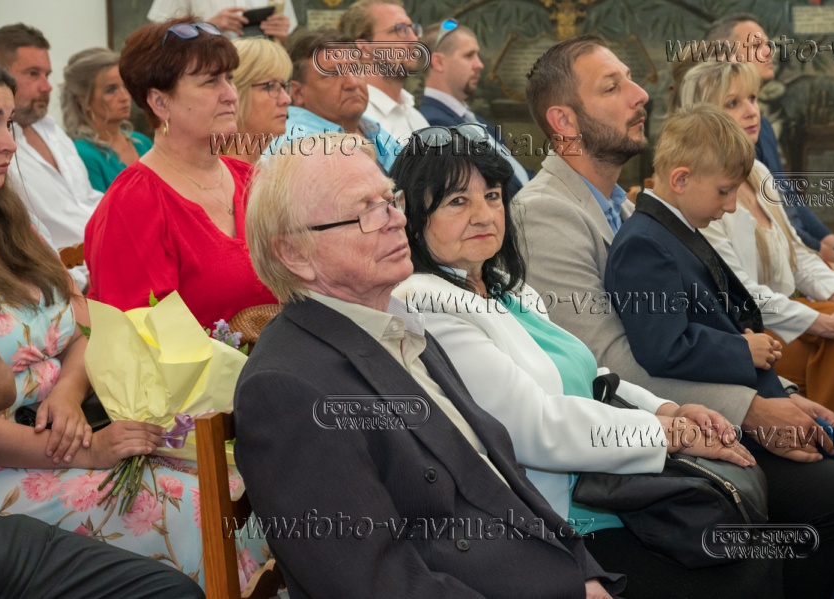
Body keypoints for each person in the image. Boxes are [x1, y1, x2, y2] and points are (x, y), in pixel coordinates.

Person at [515, 34, 834, 598]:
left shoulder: (628, 205)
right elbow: (603, 363)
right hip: (636, 442)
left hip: (698, 405)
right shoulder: (546, 213)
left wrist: (781, 393)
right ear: (563, 121)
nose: (640, 94)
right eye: (612, 86)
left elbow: (710, 322)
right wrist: (752, 411)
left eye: (632, 79)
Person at [388, 125, 780, 598]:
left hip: (609, 486)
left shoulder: (506, 287)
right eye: (457, 201)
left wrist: (668, 410)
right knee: (743, 573)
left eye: (492, 196)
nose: (484, 215)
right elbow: (533, 428)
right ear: (412, 214)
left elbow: (591, 374)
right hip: (553, 521)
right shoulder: (424, 302)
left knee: (755, 546)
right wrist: (668, 435)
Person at [237, 131, 625, 599]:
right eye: (366, 211)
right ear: (294, 254)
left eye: (390, 200)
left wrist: (584, 574)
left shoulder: (396, 324)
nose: (398, 220)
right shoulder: (287, 387)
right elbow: (373, 584)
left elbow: (502, 476)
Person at [0, 58, 259, 593]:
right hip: (10, 468)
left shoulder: (15, 220)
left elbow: (85, 320)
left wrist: (67, 393)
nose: (9, 144)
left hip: (70, 427)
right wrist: (88, 450)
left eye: (9, 123)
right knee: (201, 511)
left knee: (246, 485)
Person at [606, 101, 834, 599]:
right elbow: (661, 347)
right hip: (724, 421)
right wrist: (741, 348)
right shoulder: (645, 244)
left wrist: (786, 393)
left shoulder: (677, 230)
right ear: (681, 179)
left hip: (755, 395)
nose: (732, 205)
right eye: (725, 191)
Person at [673, 61, 834, 446]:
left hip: (789, 313)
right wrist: (828, 323)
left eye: (753, 99)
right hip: (748, 333)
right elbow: (741, 293)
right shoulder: (700, 191)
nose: (751, 111)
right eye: (733, 103)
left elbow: (798, 255)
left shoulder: (757, 171)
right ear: (702, 118)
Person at [84, 18, 276, 329]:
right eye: (210, 82)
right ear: (160, 102)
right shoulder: (134, 204)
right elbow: (142, 340)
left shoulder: (252, 180)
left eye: (229, 78)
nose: (230, 94)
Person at [704, 14, 834, 299]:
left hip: (807, 257)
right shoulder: (719, 158)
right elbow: (782, 242)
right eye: (756, 45)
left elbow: (790, 203)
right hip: (792, 266)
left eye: (752, 100)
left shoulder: (762, 127)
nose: (769, 51)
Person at [0, 23, 100, 291]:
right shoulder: (0, 157)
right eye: (33, 73)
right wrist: (80, 284)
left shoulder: (51, 130)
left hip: (98, 266)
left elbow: (86, 200)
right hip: (66, 282)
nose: (47, 86)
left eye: (47, 74)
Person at [419, 19, 530, 195]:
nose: (479, 64)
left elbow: (518, 176)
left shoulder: (476, 120)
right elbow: (487, 191)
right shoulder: (435, 124)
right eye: (469, 55)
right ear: (438, 62)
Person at [271, 28, 400, 174]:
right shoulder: (297, 145)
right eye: (333, 74)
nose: (352, 83)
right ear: (298, 93)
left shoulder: (370, 128)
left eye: (355, 69)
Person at [61, 47, 152, 192]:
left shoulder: (142, 142)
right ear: (84, 101)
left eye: (125, 87)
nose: (125, 97)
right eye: (111, 90)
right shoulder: (83, 154)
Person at [338, 0, 430, 138]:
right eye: (399, 30)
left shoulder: (417, 118)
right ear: (364, 48)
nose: (414, 39)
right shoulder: (356, 122)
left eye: (412, 29)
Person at [220, 36, 291, 164]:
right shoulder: (218, 173)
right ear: (236, 92)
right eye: (270, 86)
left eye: (284, 86)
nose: (286, 99)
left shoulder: (266, 169)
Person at [147, 0, 297, 44]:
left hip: (262, 80)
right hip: (207, 79)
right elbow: (159, 40)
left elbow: (289, 42)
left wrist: (281, 37)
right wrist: (205, 28)